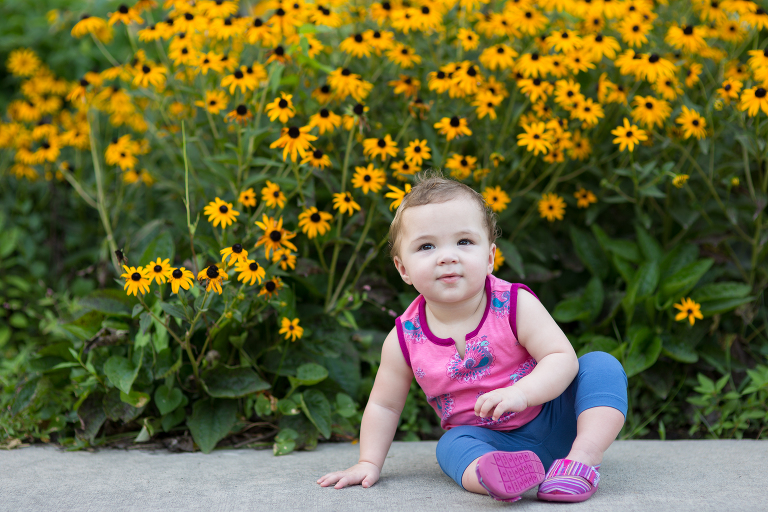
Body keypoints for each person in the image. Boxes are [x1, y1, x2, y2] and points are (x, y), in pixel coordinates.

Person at [317, 172, 628, 503]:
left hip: (555, 416)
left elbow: (560, 358)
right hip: (489, 440)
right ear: (403, 269)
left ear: (490, 256)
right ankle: (498, 475)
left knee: (600, 366)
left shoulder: (514, 305)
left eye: (464, 242)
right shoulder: (404, 339)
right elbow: (384, 405)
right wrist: (368, 461)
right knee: (451, 446)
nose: (448, 256)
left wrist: (522, 393)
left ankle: (582, 459)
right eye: (426, 246)